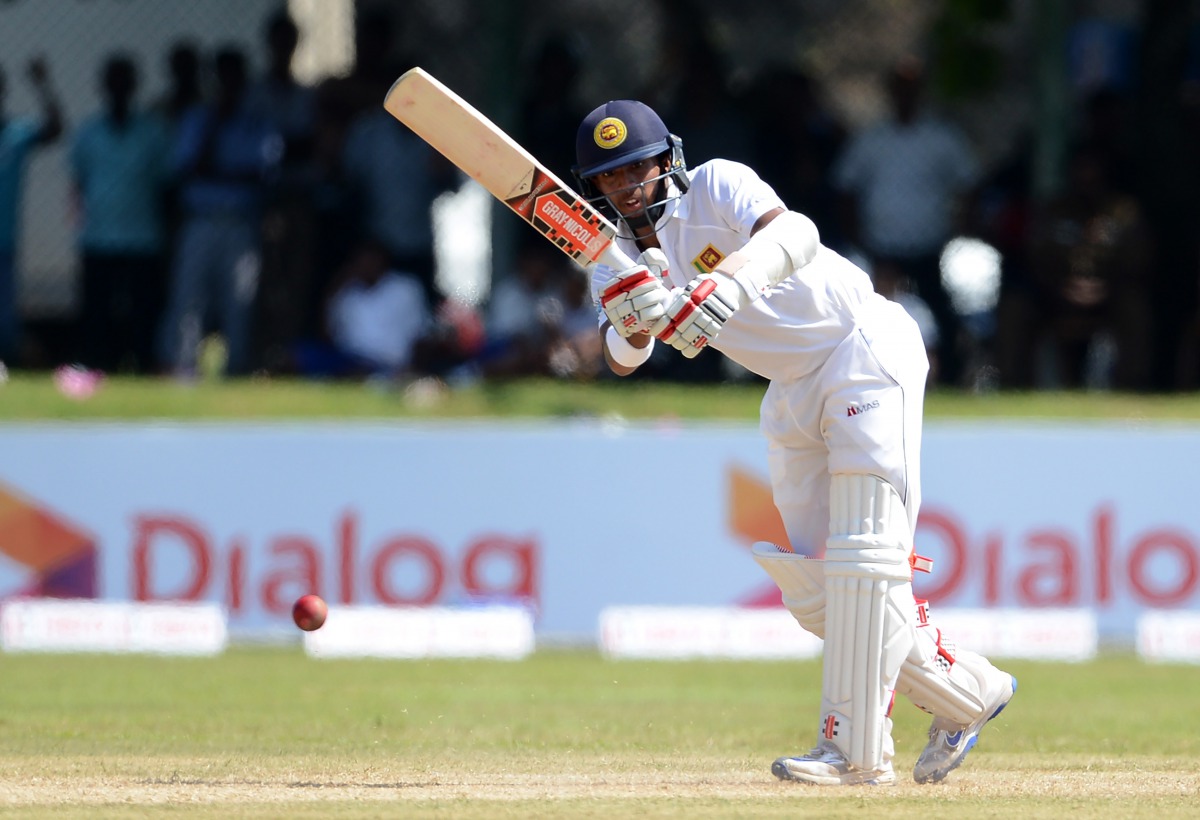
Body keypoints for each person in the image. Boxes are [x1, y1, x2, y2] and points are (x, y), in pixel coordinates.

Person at [572, 99, 1016, 786]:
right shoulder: (613, 260)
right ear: (594, 187)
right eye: (610, 176)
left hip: (861, 346)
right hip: (788, 387)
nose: (628, 185)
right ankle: (967, 691)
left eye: (638, 167)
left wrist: (729, 282)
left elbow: (799, 232)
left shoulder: (717, 184)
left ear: (667, 161)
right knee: (816, 589)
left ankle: (855, 755)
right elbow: (623, 358)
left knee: (866, 558)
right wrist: (635, 319)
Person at [832, 55, 981, 387]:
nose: (905, 93)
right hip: (879, 252)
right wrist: (857, 239)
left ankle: (950, 381)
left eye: (912, 87)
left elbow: (969, 184)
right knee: (865, 319)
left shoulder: (941, 138)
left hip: (930, 251)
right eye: (900, 86)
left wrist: (960, 228)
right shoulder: (872, 140)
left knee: (942, 319)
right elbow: (846, 188)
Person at [158, 45, 279, 377]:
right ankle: (182, 366)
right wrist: (216, 125)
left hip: (241, 223)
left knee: (238, 301)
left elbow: (260, 174)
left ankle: (236, 368)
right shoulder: (198, 118)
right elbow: (187, 168)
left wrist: (219, 170)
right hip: (201, 221)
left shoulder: (258, 121)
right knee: (188, 298)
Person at [70, 53, 171, 374]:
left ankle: (141, 366)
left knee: (143, 311)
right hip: (99, 237)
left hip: (142, 238)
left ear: (133, 86)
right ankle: (98, 366)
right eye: (113, 81)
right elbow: (79, 183)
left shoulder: (153, 133)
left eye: (124, 81)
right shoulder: (88, 132)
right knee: (97, 312)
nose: (118, 88)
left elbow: (166, 185)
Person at [0, 55, 63, 365]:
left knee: (5, 319)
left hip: (5, 241)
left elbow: (54, 129)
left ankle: (8, 366)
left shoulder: (17, 132)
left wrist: (43, 86)